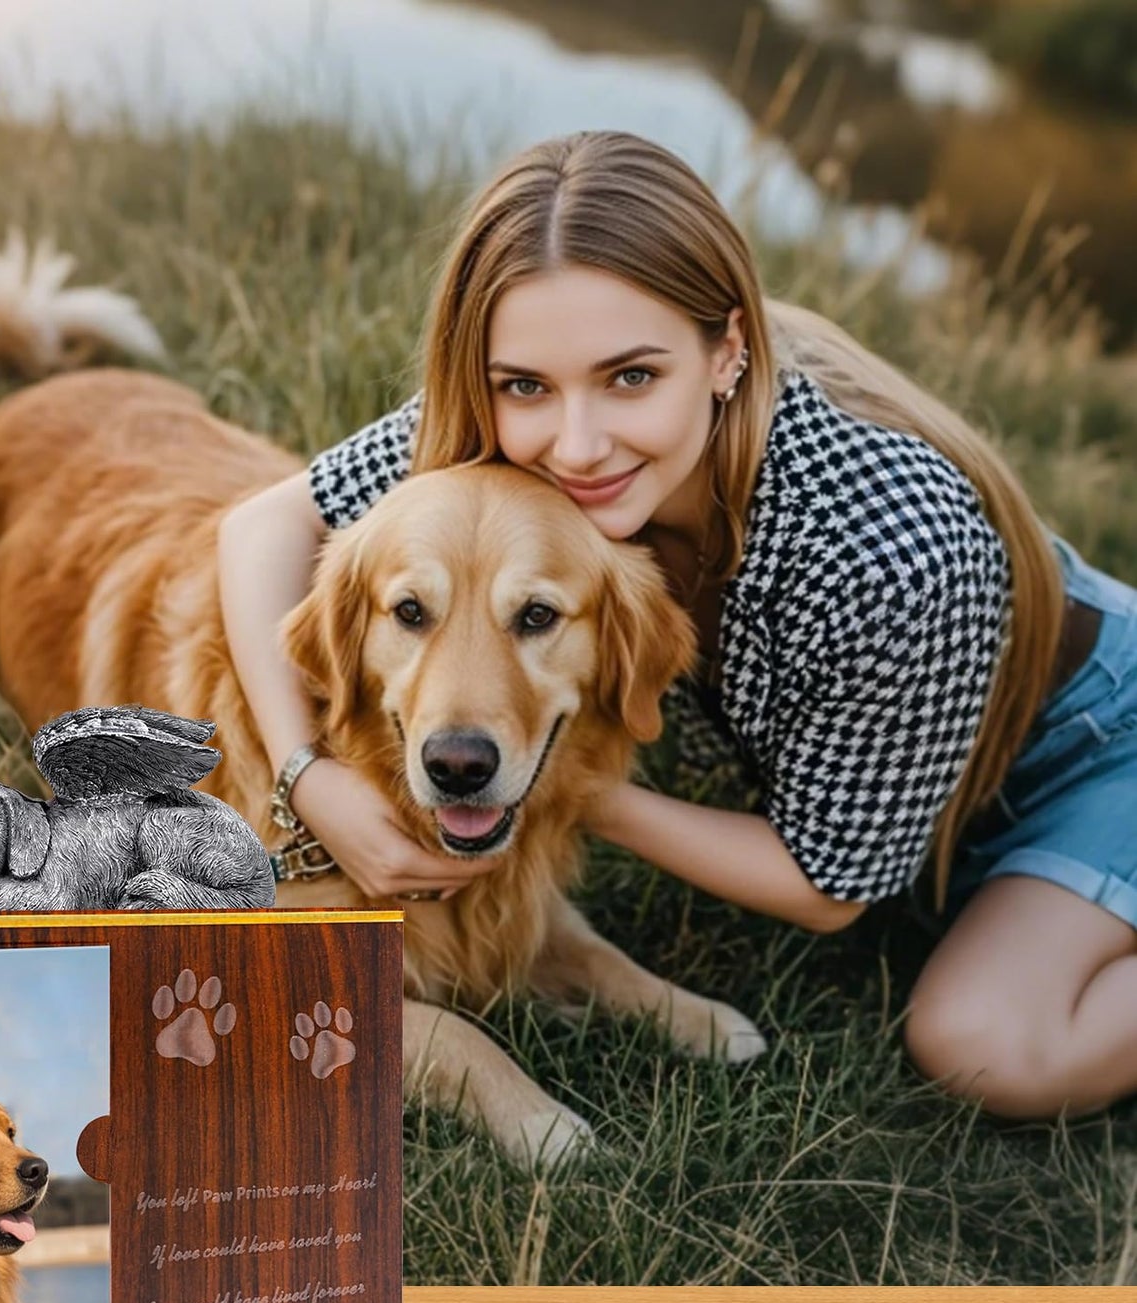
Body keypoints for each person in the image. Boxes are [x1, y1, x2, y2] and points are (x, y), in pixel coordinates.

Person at [216, 129, 1137, 1122]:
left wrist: (565, 782)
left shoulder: (885, 555)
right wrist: (307, 777)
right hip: (907, 775)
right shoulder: (534, 423)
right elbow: (265, 524)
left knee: (984, 1046)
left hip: (1088, 749)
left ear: (725, 351)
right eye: (524, 383)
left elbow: (826, 880)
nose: (573, 443)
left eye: (630, 378)